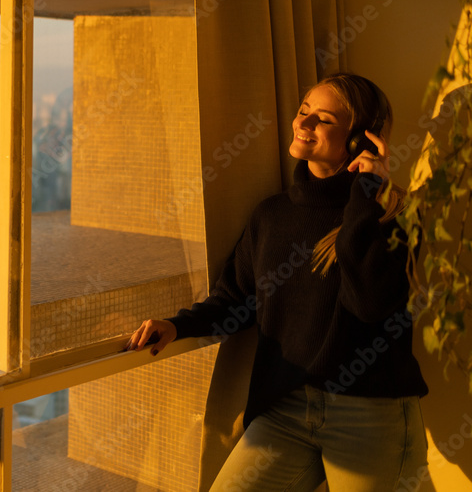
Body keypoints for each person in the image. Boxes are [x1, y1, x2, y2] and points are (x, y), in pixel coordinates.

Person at [126, 73, 429, 491]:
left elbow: (370, 304)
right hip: (285, 408)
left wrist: (365, 196)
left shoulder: (394, 215)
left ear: (360, 140)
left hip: (369, 415)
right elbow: (237, 299)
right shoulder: (271, 215)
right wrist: (179, 326)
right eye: (304, 112)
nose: (303, 124)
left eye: (322, 119)